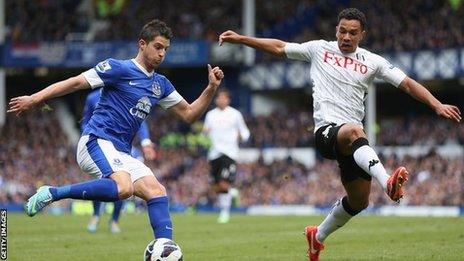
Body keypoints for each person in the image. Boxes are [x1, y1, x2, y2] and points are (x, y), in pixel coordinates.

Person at [219, 8, 461, 260]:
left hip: (354, 145)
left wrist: (436, 104)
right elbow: (280, 47)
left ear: (362, 35)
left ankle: (317, 236)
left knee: (359, 202)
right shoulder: (319, 49)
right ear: (336, 30)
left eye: (352, 33)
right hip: (327, 132)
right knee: (356, 130)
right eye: (342, 31)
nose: (346, 36)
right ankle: (388, 181)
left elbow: (407, 83)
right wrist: (242, 39)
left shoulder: (372, 61)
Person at [8, 19, 224, 243]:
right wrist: (34, 99)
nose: (162, 54)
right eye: (158, 47)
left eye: (166, 49)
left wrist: (211, 88)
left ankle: (165, 249)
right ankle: (52, 193)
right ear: (142, 44)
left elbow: (189, 114)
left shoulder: (161, 84)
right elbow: (74, 83)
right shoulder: (118, 68)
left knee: (157, 191)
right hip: (96, 140)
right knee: (124, 187)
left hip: (122, 152)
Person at [81, 88, 156, 233]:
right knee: (100, 181)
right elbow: (85, 121)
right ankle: (96, 215)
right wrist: (88, 133)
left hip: (122, 147)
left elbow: (140, 120)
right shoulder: (92, 98)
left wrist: (146, 141)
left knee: (123, 183)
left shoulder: (127, 93)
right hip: (100, 144)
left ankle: (114, 220)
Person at [203, 89, 250, 223]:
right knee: (216, 186)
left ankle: (224, 212)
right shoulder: (210, 115)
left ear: (228, 100)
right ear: (216, 100)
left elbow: (245, 132)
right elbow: (204, 133)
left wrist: (242, 136)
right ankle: (233, 193)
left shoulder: (235, 114)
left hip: (229, 153)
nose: (221, 100)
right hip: (214, 153)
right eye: (219, 98)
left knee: (224, 184)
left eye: (224, 98)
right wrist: (205, 132)